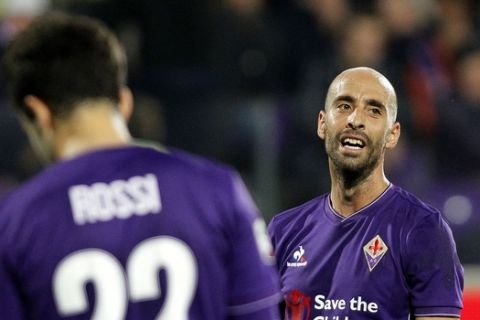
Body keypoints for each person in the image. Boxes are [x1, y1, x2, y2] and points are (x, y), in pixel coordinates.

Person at [0, 13, 280, 319]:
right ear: (124, 101)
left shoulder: (15, 222)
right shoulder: (218, 189)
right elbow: (259, 312)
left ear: (38, 113)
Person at [268, 67, 463, 319]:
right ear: (322, 124)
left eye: (373, 111)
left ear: (392, 135)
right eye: (344, 106)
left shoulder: (423, 229)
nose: (355, 120)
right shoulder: (284, 231)